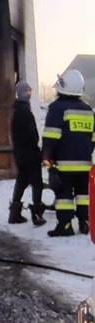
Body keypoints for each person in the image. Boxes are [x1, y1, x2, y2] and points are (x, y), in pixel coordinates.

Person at [41, 68, 95, 236]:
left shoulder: (57, 108)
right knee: (83, 194)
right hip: (85, 164)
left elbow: (51, 137)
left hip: (63, 164)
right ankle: (85, 223)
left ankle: (65, 226)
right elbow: (93, 139)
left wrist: (48, 162)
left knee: (64, 195)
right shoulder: (88, 111)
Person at [8, 80, 45, 226]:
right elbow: (31, 133)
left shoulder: (17, 110)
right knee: (37, 182)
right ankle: (37, 214)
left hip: (19, 152)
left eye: (30, 90)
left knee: (22, 180)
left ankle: (14, 213)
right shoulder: (24, 111)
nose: (29, 93)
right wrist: (36, 145)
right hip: (29, 152)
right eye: (26, 91)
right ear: (21, 93)